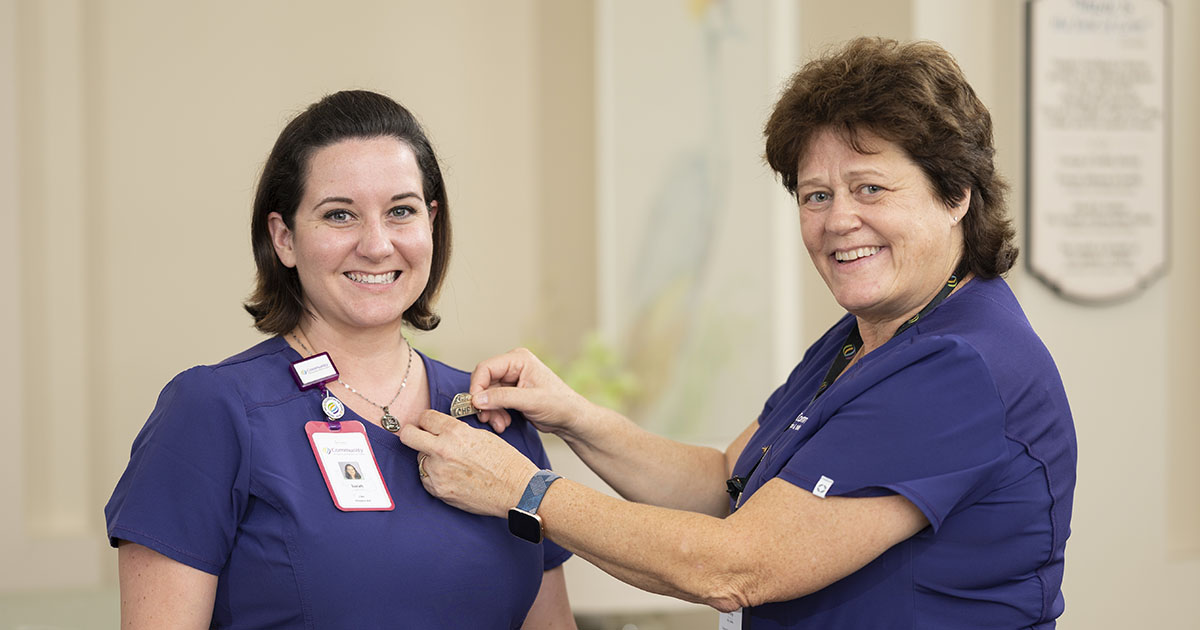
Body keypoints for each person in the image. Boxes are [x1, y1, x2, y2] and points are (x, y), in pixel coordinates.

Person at [400, 38, 1077, 629]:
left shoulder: (959, 366)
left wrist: (521, 489)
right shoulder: (863, 338)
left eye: (870, 189)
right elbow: (728, 482)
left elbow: (739, 566)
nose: (839, 220)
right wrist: (576, 419)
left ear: (956, 194)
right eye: (816, 196)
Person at [105, 90, 575, 629]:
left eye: (401, 211)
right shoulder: (213, 411)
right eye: (339, 215)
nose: (376, 245)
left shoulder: (494, 416)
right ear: (284, 238)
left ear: (431, 222)